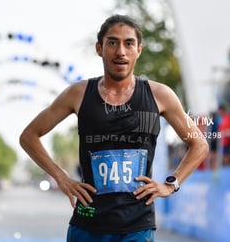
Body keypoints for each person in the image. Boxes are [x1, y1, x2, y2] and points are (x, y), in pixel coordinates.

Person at [19, 14, 209, 242]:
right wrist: (61, 177)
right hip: (88, 224)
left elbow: (199, 143)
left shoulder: (160, 95)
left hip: (137, 226)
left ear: (138, 50)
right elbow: (29, 136)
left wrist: (171, 184)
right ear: (99, 48)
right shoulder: (78, 94)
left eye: (129, 43)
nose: (121, 51)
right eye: (113, 42)